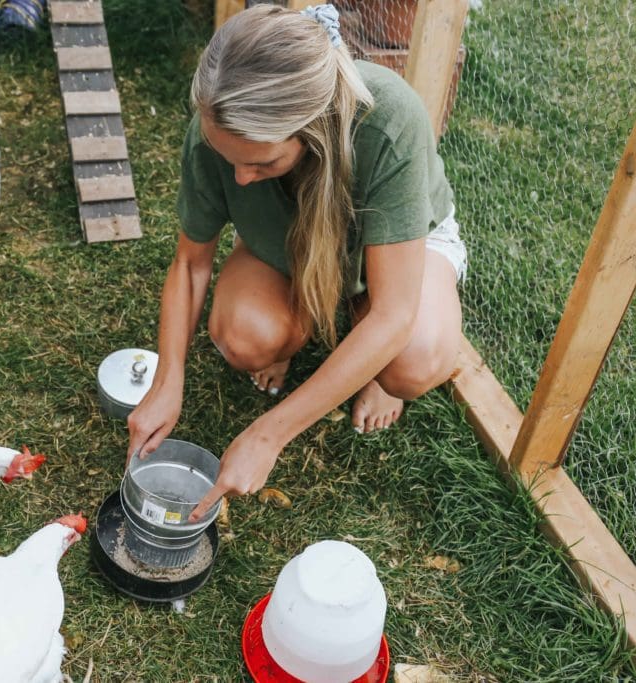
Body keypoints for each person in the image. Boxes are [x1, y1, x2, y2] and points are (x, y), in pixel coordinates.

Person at [126, 4, 468, 523]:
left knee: (413, 360)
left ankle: (368, 362)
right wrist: (167, 378)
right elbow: (191, 264)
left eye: (261, 163)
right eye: (230, 160)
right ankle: (305, 329)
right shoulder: (216, 127)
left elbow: (395, 311)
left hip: (396, 252)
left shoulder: (390, 121)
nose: (240, 180)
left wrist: (270, 434)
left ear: (313, 130)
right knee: (245, 336)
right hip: (286, 245)